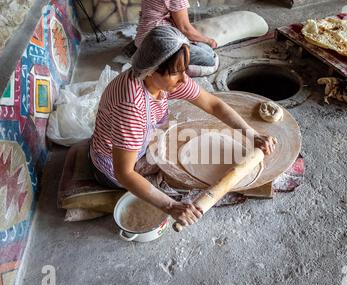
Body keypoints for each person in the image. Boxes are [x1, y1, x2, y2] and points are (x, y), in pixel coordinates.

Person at [89, 26, 277, 228]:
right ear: (152, 70)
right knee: (184, 164)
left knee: (190, 143)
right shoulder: (131, 107)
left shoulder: (166, 79)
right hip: (111, 168)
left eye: (185, 68)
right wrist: (171, 206)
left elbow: (214, 105)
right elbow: (124, 173)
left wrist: (251, 134)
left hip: (137, 145)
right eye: (176, 72)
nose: (184, 78)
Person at [134, 0, 217, 67]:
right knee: (209, 59)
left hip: (142, 38)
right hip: (157, 44)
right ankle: (166, 71)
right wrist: (210, 41)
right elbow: (185, 29)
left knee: (207, 50)